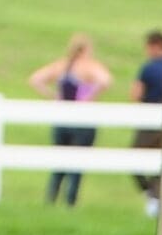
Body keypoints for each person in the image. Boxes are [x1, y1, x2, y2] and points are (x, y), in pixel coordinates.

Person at [27, 35, 113, 207]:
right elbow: (106, 80)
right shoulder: (88, 67)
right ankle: (70, 203)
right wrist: (89, 96)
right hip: (83, 119)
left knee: (59, 162)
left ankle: (50, 200)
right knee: (77, 163)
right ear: (86, 50)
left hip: (61, 118)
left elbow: (35, 79)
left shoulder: (62, 65)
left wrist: (53, 96)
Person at [131, 30, 162, 217]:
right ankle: (157, 195)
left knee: (133, 159)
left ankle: (151, 195)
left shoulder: (149, 68)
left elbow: (136, 94)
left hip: (150, 121)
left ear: (155, 46)